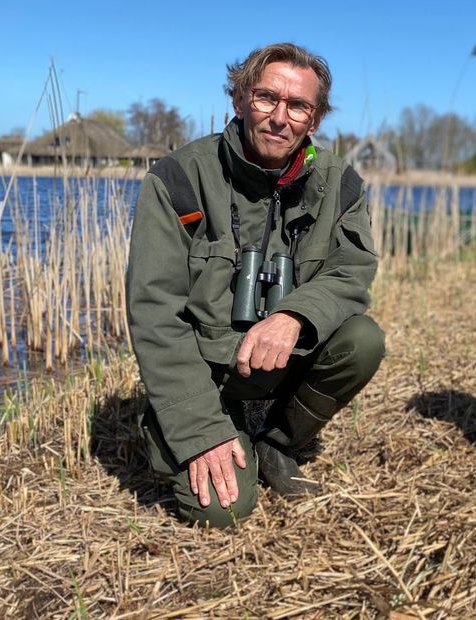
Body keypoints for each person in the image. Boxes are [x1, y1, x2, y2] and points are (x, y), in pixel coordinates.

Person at [127, 43, 384, 527]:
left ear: (315, 120)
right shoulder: (176, 180)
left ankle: (276, 441)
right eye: (266, 98)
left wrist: (294, 316)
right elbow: (156, 316)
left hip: (278, 362)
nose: (279, 117)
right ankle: (191, 423)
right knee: (223, 511)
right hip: (205, 372)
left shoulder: (340, 183)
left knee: (362, 341)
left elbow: (352, 269)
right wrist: (200, 431)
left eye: (298, 106)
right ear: (240, 100)